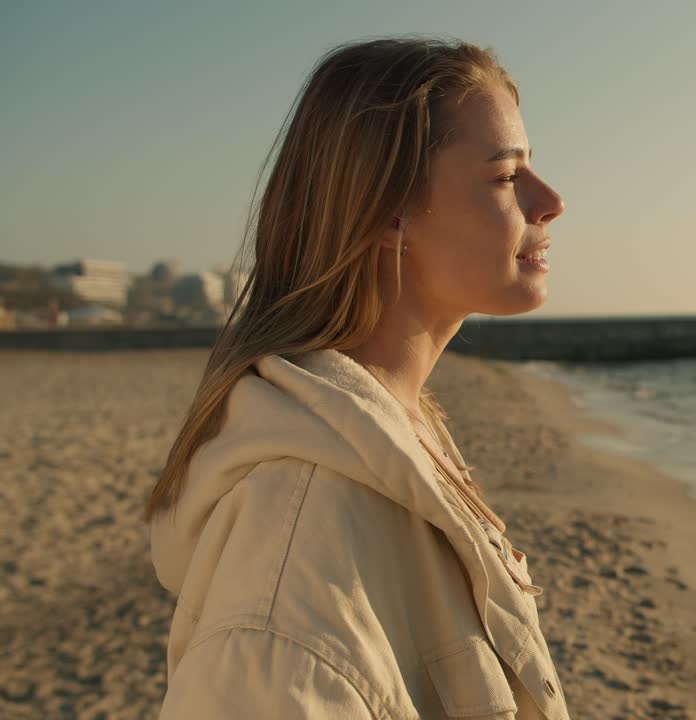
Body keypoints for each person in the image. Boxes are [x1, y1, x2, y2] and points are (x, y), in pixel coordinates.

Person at [143, 35, 567, 719]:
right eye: (505, 176)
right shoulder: (298, 559)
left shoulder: (401, 435)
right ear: (387, 214)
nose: (550, 201)